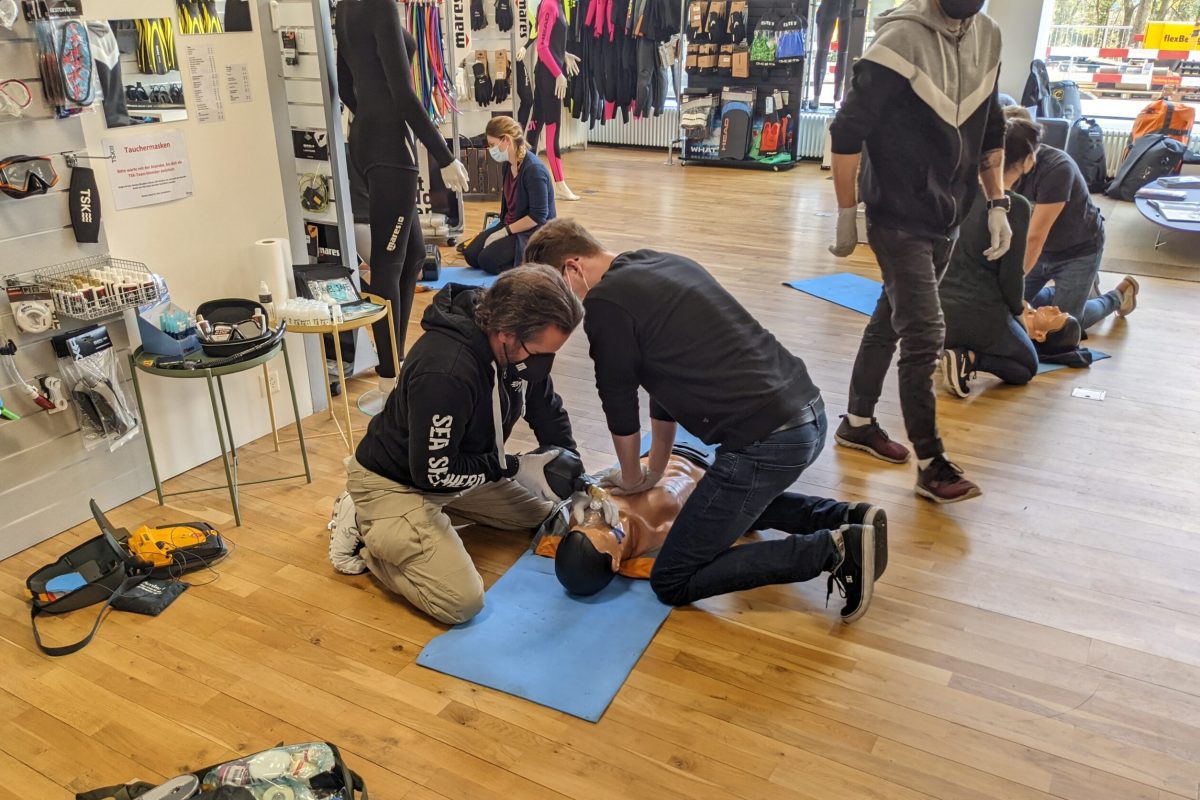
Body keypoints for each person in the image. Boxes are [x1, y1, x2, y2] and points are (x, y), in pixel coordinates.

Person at [525, 219, 888, 623]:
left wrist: (630, 476)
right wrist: (655, 469)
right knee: (721, 510)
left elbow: (619, 402)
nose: (563, 306)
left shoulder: (606, 304)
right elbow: (663, 386)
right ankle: (850, 517)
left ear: (572, 268)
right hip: (807, 413)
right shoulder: (658, 261)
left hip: (768, 442)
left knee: (673, 579)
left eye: (560, 290)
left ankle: (835, 549)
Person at [827, 0, 1008, 504]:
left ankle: (857, 423)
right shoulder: (900, 40)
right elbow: (846, 130)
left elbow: (990, 125)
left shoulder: (988, 36)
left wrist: (996, 202)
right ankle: (931, 462)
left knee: (891, 319)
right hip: (897, 214)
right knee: (925, 331)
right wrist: (847, 212)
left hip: (949, 213)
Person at [333, 266, 586, 624]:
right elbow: (433, 475)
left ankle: (417, 528)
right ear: (505, 333)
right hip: (400, 482)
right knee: (462, 603)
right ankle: (368, 533)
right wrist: (514, 467)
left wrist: (572, 471)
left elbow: (546, 410)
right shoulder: (446, 372)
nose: (544, 361)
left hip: (456, 469)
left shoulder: (516, 351)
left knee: (547, 514)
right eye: (539, 351)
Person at [336, 0, 470, 396]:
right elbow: (404, 93)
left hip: (368, 137)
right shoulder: (379, 6)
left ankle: (397, 358)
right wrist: (444, 157)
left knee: (412, 257)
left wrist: (370, 119)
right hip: (391, 149)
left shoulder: (345, 7)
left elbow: (344, 80)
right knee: (388, 262)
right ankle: (388, 376)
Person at [1001, 107, 1140, 328]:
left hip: (1077, 250)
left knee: (1063, 325)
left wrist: (1010, 287)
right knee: (1007, 311)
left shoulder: (1057, 167)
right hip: (1036, 251)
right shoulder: (997, 163)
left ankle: (1117, 296)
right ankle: (1073, 289)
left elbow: (1035, 237)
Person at [938, 120, 1037, 397]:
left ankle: (947, 351)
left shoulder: (954, 189)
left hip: (934, 308)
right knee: (1026, 367)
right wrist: (1019, 315)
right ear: (1028, 160)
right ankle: (968, 359)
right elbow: (1011, 275)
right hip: (978, 311)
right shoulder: (1014, 206)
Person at [464, 116, 556, 275]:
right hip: (510, 224)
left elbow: (538, 216)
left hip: (532, 230)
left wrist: (505, 232)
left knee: (487, 260)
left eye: (492, 145)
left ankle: (533, 262)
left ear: (506, 140)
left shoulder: (534, 170)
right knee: (471, 255)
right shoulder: (507, 165)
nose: (490, 149)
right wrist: (500, 228)